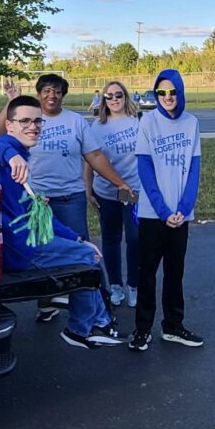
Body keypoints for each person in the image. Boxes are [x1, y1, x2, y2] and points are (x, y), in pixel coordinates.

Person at [0, 96, 125, 348]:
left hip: (32, 240)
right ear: (10, 125)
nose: (33, 126)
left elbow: (42, 216)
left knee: (89, 251)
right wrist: (10, 155)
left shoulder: (20, 160)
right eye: (24, 121)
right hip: (19, 251)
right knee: (87, 257)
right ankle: (82, 328)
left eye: (37, 121)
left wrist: (77, 238)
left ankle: (98, 322)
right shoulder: (4, 152)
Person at [0, 74, 133, 322]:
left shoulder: (75, 121)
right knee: (43, 254)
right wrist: (12, 101)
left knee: (81, 255)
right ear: (38, 94)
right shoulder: (28, 120)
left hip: (71, 198)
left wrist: (118, 181)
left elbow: (95, 156)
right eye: (46, 90)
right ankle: (46, 305)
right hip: (36, 202)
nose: (52, 95)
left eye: (57, 91)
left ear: (63, 95)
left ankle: (95, 313)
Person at [129, 69, 203, 352]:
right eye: (162, 92)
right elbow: (145, 169)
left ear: (180, 92)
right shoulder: (148, 122)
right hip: (153, 214)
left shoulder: (191, 122)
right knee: (147, 273)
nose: (168, 97)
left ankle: (173, 326)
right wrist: (162, 210)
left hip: (180, 215)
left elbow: (194, 168)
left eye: (172, 91)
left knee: (175, 272)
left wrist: (183, 209)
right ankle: (142, 329)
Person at [84, 81, 141, 308]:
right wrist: (88, 190)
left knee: (135, 238)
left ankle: (134, 285)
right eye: (109, 96)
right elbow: (89, 161)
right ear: (103, 100)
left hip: (133, 190)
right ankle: (116, 285)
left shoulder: (138, 121)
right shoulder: (96, 126)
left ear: (125, 96)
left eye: (118, 95)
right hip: (106, 191)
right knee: (111, 238)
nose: (114, 99)